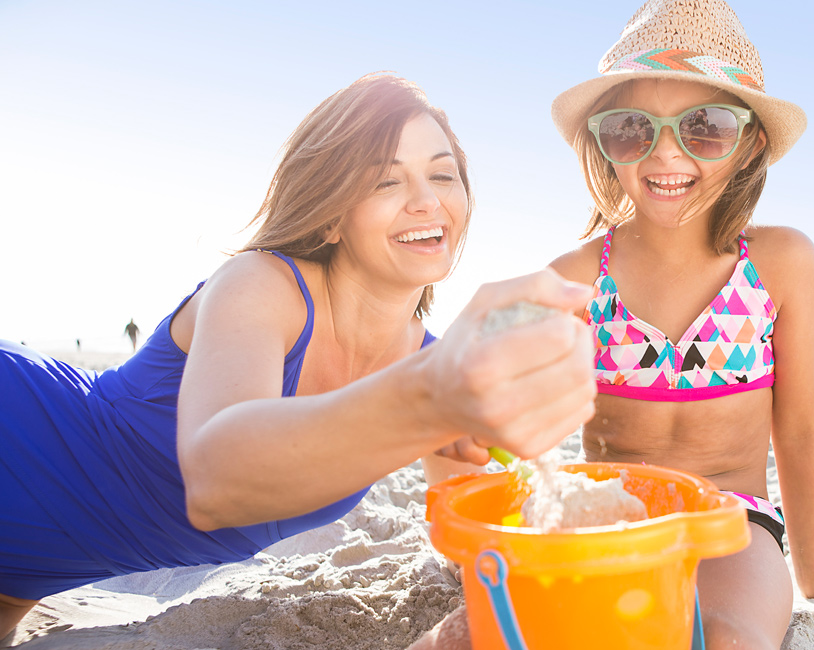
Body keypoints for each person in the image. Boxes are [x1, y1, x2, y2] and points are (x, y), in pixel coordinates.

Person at [0, 72, 596, 641]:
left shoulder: (436, 369)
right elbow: (216, 480)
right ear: (333, 215)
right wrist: (427, 398)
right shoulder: (262, 285)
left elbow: (474, 542)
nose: (425, 201)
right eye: (387, 181)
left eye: (443, 176)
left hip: (25, 573)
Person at [546, 2, 814, 648]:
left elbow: (797, 427)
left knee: (732, 639)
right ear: (603, 141)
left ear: (749, 144)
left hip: (732, 523)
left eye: (704, 127)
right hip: (608, 518)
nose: (666, 153)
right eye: (633, 129)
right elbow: (509, 416)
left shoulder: (781, 263)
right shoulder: (576, 276)